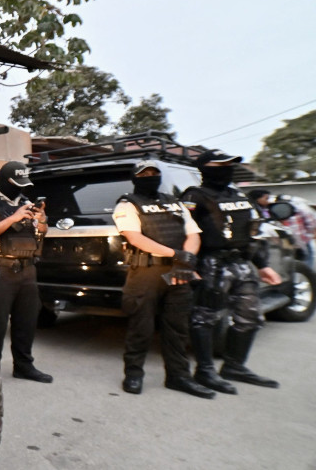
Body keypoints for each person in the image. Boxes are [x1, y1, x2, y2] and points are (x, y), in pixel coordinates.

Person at [181, 149, 282, 393]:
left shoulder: (238, 196)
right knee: (204, 318)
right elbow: (180, 233)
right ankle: (205, 371)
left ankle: (235, 366)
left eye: (230, 164)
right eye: (220, 164)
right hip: (211, 264)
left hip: (242, 264)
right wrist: (188, 266)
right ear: (204, 168)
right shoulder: (193, 196)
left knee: (250, 316)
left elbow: (249, 234)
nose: (226, 168)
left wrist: (263, 265)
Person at [112, 160, 214, 398]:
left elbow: (193, 234)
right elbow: (135, 238)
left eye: (154, 173)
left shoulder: (174, 202)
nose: (149, 177)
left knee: (177, 327)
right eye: (144, 173)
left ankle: (178, 376)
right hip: (147, 273)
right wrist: (176, 255)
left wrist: (185, 260)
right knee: (141, 326)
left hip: (178, 271)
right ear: (135, 178)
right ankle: (134, 374)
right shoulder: (127, 204)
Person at [0, 161, 52, 383]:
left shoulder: (26, 202)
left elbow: (42, 232)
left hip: (27, 269)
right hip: (1, 269)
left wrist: (42, 220)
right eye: (17, 183)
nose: (21, 188)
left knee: (26, 321)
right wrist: (14, 218)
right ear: (6, 181)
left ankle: (24, 366)